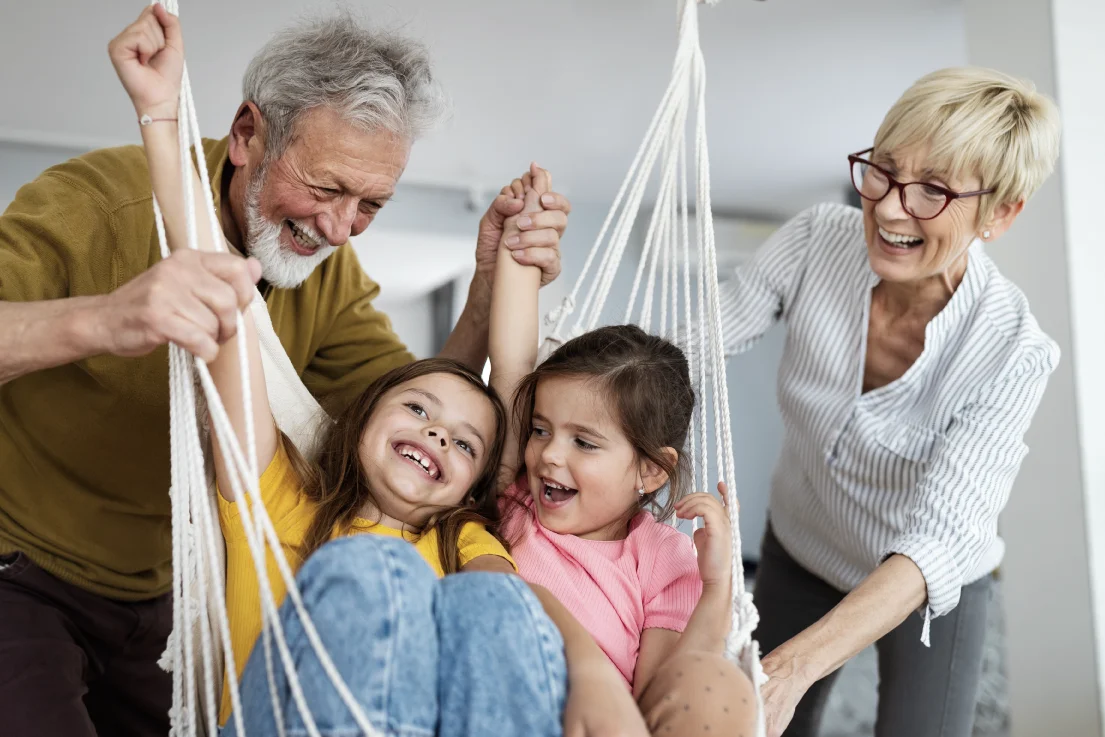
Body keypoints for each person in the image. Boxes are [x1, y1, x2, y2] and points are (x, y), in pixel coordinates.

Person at [0, 5, 572, 737]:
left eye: (370, 205)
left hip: (165, 592)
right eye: (327, 188)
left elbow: (412, 403)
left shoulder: (326, 278)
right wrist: (105, 318)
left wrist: (489, 287)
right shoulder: (97, 207)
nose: (338, 228)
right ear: (247, 136)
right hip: (22, 566)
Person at [715, 67, 1062, 736]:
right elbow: (696, 339)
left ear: (999, 213)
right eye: (882, 170)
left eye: (931, 189)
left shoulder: (1014, 352)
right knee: (760, 722)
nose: (888, 207)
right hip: (802, 543)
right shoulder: (818, 239)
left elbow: (935, 541)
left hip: (924, 585)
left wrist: (794, 666)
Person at [486, 173, 758, 734]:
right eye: (540, 430)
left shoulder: (661, 559)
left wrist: (715, 589)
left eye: (584, 442)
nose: (548, 456)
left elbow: (665, 694)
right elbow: (511, 367)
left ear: (652, 470)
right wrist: (522, 241)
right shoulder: (514, 500)